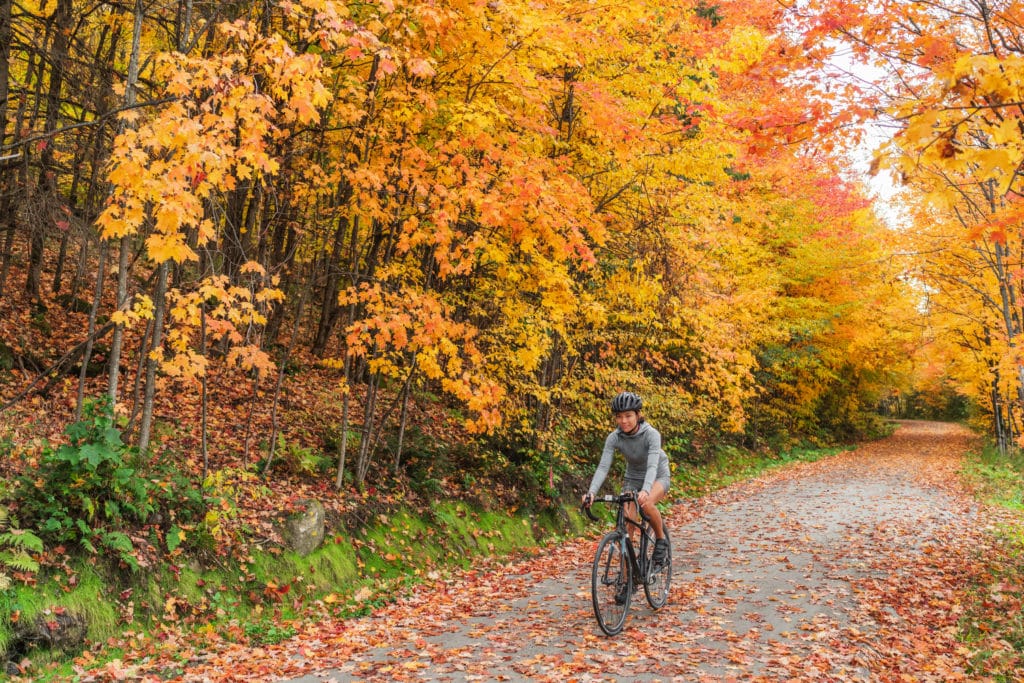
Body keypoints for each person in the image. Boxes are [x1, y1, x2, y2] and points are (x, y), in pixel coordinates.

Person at [582, 391, 671, 598]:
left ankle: (660, 540)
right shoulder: (614, 438)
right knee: (626, 529)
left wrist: (646, 490)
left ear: (638, 414)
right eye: (620, 416)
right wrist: (592, 493)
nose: (624, 421)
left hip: (657, 474)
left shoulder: (652, 435)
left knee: (646, 504)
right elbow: (603, 467)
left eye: (628, 415)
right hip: (632, 478)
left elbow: (651, 466)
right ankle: (626, 580)